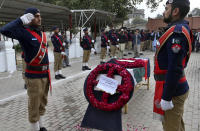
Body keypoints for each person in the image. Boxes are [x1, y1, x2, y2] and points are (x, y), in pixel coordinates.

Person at [0, 8, 51, 131]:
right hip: (33, 76)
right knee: (34, 103)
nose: (39, 18)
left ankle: (41, 126)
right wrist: (20, 20)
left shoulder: (42, 34)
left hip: (45, 74)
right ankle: (34, 128)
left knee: (42, 101)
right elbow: (4, 30)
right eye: (36, 16)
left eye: (40, 16)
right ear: (29, 18)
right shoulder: (24, 32)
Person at [153, 0, 192, 131]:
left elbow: (175, 68)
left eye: (167, 8)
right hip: (173, 87)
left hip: (173, 92)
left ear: (175, 11)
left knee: (171, 128)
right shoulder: (176, 29)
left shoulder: (177, 32)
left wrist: (166, 97)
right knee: (176, 126)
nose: (164, 12)